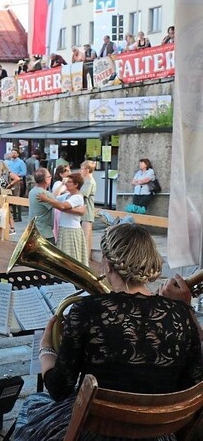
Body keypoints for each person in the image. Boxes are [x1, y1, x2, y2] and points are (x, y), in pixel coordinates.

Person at [14, 223, 203, 440]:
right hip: (157, 435)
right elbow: (191, 385)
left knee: (32, 407)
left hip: (95, 433)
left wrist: (46, 349)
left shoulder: (86, 310)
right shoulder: (182, 314)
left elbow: (59, 390)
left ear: (107, 263)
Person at [38, 172, 88, 266]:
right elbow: (55, 197)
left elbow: (63, 206)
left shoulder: (77, 197)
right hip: (64, 228)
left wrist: (47, 200)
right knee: (63, 256)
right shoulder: (66, 195)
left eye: (69, 182)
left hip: (71, 230)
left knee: (71, 256)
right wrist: (62, 184)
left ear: (76, 184)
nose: (66, 183)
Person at [28, 168, 56, 244]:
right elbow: (60, 205)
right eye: (49, 176)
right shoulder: (44, 194)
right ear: (46, 180)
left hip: (34, 231)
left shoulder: (32, 191)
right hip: (44, 233)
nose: (51, 178)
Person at [0, 160, 21, 235]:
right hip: (0, 192)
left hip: (5, 193)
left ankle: (12, 228)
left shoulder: (7, 173)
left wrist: (10, 185)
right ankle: (7, 227)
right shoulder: (0, 174)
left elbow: (17, 178)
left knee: (8, 211)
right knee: (3, 211)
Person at [79, 161, 97, 262]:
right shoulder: (86, 181)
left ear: (87, 170)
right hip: (85, 212)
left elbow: (81, 195)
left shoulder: (89, 181)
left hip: (87, 212)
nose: (81, 171)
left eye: (82, 169)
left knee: (86, 237)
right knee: (86, 237)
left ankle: (85, 260)